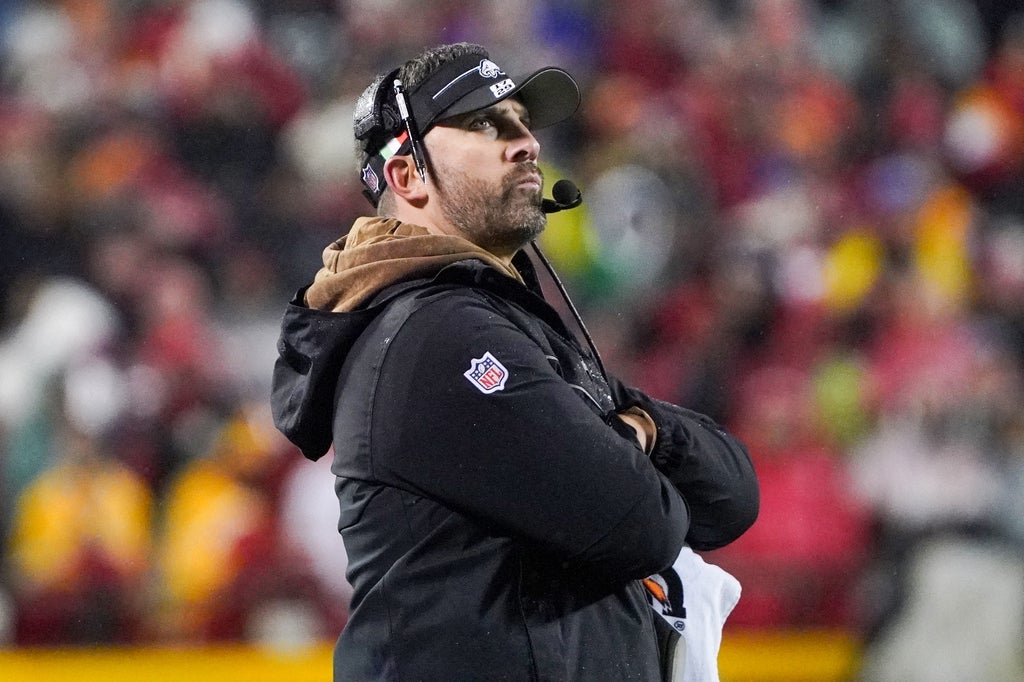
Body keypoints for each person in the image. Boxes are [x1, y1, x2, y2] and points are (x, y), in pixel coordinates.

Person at [271, 42, 759, 681]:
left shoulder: (502, 323)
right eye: (485, 124)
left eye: (524, 123)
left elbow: (732, 497)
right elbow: (642, 523)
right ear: (407, 175)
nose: (526, 142)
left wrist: (641, 430)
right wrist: (631, 443)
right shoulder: (436, 332)